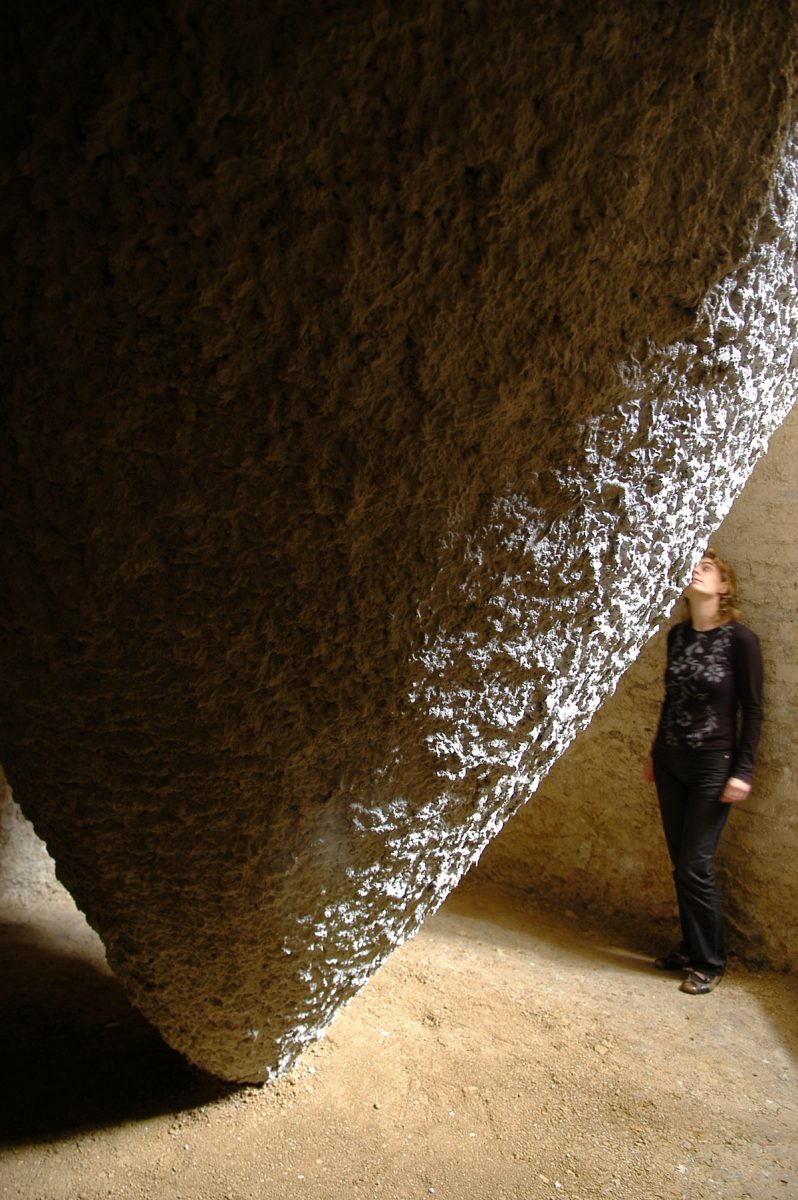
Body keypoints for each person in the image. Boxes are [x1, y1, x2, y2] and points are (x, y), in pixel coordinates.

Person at [643, 547, 763, 995]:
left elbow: (752, 709)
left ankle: (710, 962)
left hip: (714, 764)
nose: (697, 570)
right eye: (694, 564)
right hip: (671, 761)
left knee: (695, 865)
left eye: (707, 567)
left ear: (724, 586)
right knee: (681, 864)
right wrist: (655, 752)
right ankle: (690, 946)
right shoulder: (678, 636)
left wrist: (743, 770)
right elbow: (671, 700)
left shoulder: (740, 640)